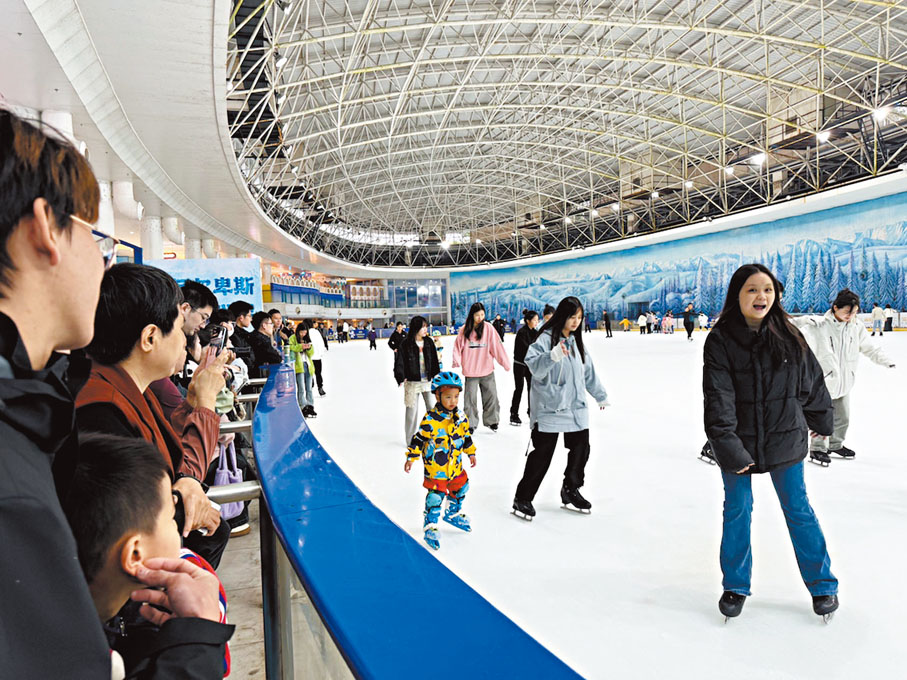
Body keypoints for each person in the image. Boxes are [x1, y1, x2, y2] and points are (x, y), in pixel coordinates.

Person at [0, 107, 114, 676]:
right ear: (46, 227)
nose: (103, 265)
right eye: (99, 240)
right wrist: (184, 643)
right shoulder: (10, 486)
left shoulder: (28, 407)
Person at [70, 263, 230, 568]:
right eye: (178, 327)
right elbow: (134, 524)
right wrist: (206, 403)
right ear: (150, 338)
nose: (185, 340)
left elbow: (173, 464)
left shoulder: (131, 389)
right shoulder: (101, 411)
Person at [703, 263, 838, 621]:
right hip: (739, 441)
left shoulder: (789, 334)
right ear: (737, 295)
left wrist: (822, 420)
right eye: (751, 289)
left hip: (785, 438)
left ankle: (823, 584)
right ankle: (735, 584)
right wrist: (729, 447)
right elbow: (718, 397)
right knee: (738, 509)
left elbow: (811, 381)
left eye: (766, 289)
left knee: (799, 509)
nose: (761, 296)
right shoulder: (720, 340)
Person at [62, 433, 234, 678]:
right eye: (170, 518)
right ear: (134, 554)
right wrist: (198, 636)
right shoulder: (87, 664)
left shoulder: (56, 620)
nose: (177, 526)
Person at [512, 297, 608, 520]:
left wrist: (600, 395)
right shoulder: (545, 340)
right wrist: (551, 356)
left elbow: (588, 372)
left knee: (581, 449)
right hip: (550, 406)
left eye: (579, 318)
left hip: (575, 407)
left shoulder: (576, 342)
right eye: (572, 317)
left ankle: (571, 489)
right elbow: (534, 366)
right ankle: (523, 497)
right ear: (562, 316)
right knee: (542, 454)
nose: (576, 322)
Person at [793, 288, 895, 464]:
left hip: (845, 381)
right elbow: (792, 327)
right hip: (824, 381)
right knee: (822, 417)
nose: (851, 316)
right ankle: (817, 448)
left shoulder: (856, 327)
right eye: (847, 312)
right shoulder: (820, 326)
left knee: (843, 417)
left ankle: (835, 444)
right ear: (835, 308)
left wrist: (886, 361)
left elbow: (869, 348)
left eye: (854, 312)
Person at [404, 371, 476, 551]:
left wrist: (471, 452)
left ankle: (452, 513)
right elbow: (418, 440)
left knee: (461, 487)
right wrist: (411, 458)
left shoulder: (461, 418)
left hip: (455, 466)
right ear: (437, 396)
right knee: (436, 496)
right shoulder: (430, 420)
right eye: (448, 397)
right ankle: (431, 524)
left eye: (456, 397)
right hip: (436, 468)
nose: (453, 401)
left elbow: (465, 436)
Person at [452, 302, 511, 432]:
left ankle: (492, 421)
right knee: (470, 400)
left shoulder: (488, 328)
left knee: (491, 396)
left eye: (482, 314)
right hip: (471, 372)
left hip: (487, 370)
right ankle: (470, 423)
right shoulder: (464, 330)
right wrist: (456, 360)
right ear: (472, 315)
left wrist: (505, 363)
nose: (480, 318)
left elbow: (497, 347)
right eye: (477, 315)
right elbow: (457, 347)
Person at [394, 315, 441, 444]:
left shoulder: (429, 342)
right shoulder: (406, 343)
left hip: (427, 382)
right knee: (411, 412)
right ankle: (410, 440)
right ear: (416, 328)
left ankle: (434, 436)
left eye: (426, 327)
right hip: (412, 383)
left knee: (432, 409)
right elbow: (400, 362)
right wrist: (400, 376)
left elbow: (435, 361)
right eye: (423, 327)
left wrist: (437, 377)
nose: (426, 330)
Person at [510, 309, 539, 426]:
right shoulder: (522, 332)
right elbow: (526, 349)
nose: (537, 322)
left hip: (530, 365)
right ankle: (514, 414)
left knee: (531, 389)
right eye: (535, 320)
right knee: (519, 388)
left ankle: (531, 411)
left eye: (537, 320)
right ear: (528, 321)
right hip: (519, 364)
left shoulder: (535, 333)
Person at [288, 321, 317, 418]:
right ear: (298, 331)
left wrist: (308, 348)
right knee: (301, 388)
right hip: (298, 366)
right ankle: (302, 406)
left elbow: (312, 353)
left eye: (305, 332)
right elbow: (291, 348)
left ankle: (310, 406)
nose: (303, 334)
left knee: (309, 388)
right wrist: (300, 347)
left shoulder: (307, 339)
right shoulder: (292, 338)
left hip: (308, 365)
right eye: (301, 332)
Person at [247, 311, 282, 375]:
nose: (272, 326)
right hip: (260, 376)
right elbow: (276, 358)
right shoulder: (261, 340)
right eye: (271, 323)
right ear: (264, 325)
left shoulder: (253, 336)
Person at [310, 320, 328, 396]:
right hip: (317, 357)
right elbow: (321, 343)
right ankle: (320, 387)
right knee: (318, 373)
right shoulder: (316, 332)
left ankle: (311, 382)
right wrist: (321, 353)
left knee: (310, 372)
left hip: (310, 357)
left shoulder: (306, 332)